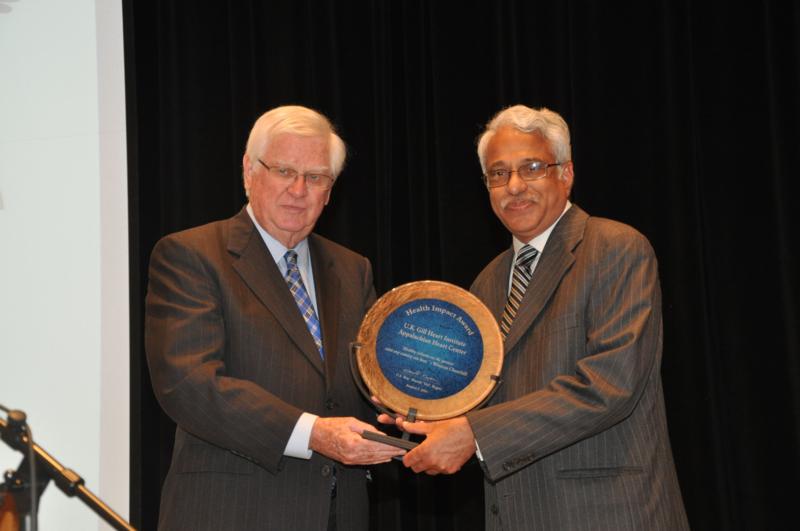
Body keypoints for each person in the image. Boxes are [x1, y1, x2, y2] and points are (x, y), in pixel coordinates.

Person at [382, 105, 689, 530]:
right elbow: (475, 395)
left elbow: (609, 385)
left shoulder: (615, 248)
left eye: (531, 168)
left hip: (606, 514)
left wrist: (475, 434)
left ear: (566, 174)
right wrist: (413, 399)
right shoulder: (487, 283)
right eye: (498, 173)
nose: (514, 186)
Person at [145, 105, 403, 531]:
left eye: (315, 177)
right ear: (249, 172)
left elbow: (367, 381)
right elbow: (189, 384)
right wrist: (312, 433)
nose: (299, 190)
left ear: (329, 190)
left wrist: (414, 400)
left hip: (340, 514)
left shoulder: (352, 269)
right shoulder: (191, 255)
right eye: (284, 171)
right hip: (232, 513)